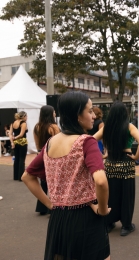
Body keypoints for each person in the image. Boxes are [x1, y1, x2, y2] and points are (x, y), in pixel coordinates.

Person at [22, 91, 111, 260]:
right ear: (78, 115)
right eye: (90, 111)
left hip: (58, 219)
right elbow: (100, 181)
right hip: (85, 217)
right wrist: (103, 209)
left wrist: (50, 204)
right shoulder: (87, 141)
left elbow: (27, 176)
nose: (93, 116)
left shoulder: (50, 143)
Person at [94, 101, 139, 236]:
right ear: (125, 114)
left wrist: (102, 154)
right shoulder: (129, 126)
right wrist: (136, 156)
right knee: (126, 194)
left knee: (111, 193)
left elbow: (91, 140)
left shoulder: (107, 128)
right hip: (126, 163)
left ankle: (109, 222)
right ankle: (126, 225)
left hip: (110, 163)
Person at [33, 105, 60, 215]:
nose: (55, 113)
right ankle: (53, 207)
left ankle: (41, 207)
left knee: (43, 182)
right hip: (52, 155)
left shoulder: (37, 127)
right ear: (50, 113)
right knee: (54, 181)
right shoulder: (53, 127)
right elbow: (58, 142)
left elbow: (37, 143)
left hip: (40, 154)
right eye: (54, 112)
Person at [9, 111, 28, 181]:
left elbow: (10, 134)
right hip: (22, 142)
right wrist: (15, 138)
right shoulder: (23, 123)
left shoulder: (13, 123)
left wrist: (12, 142)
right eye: (26, 116)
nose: (27, 118)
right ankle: (21, 177)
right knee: (22, 159)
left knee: (16, 158)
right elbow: (21, 134)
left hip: (15, 143)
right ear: (23, 116)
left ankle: (16, 176)